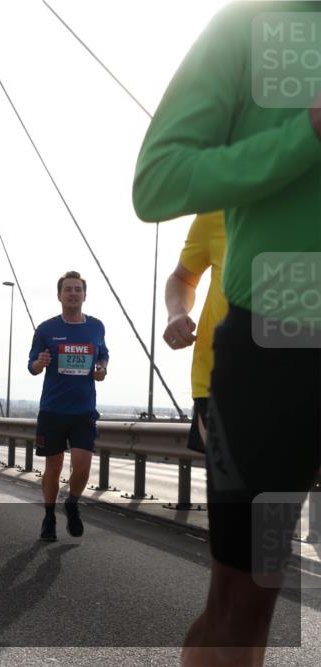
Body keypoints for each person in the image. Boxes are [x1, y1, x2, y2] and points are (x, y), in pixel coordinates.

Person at [133, 5, 321, 662]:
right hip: (277, 359)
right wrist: (307, 133)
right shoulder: (250, 26)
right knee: (244, 601)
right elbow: (155, 184)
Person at [28, 271, 108, 542]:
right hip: (53, 410)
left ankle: (72, 502)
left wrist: (101, 369)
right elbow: (32, 367)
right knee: (53, 467)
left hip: (84, 410)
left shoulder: (96, 327)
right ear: (59, 295)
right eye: (68, 289)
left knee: (83, 466)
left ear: (84, 294)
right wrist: (41, 362)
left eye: (78, 289)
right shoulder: (46, 329)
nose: (73, 293)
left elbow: (103, 355)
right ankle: (49, 516)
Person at [163, 211, 227, 454]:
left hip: (302, 373)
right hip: (217, 376)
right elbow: (182, 278)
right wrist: (176, 313)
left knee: (287, 489)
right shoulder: (214, 214)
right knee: (234, 491)